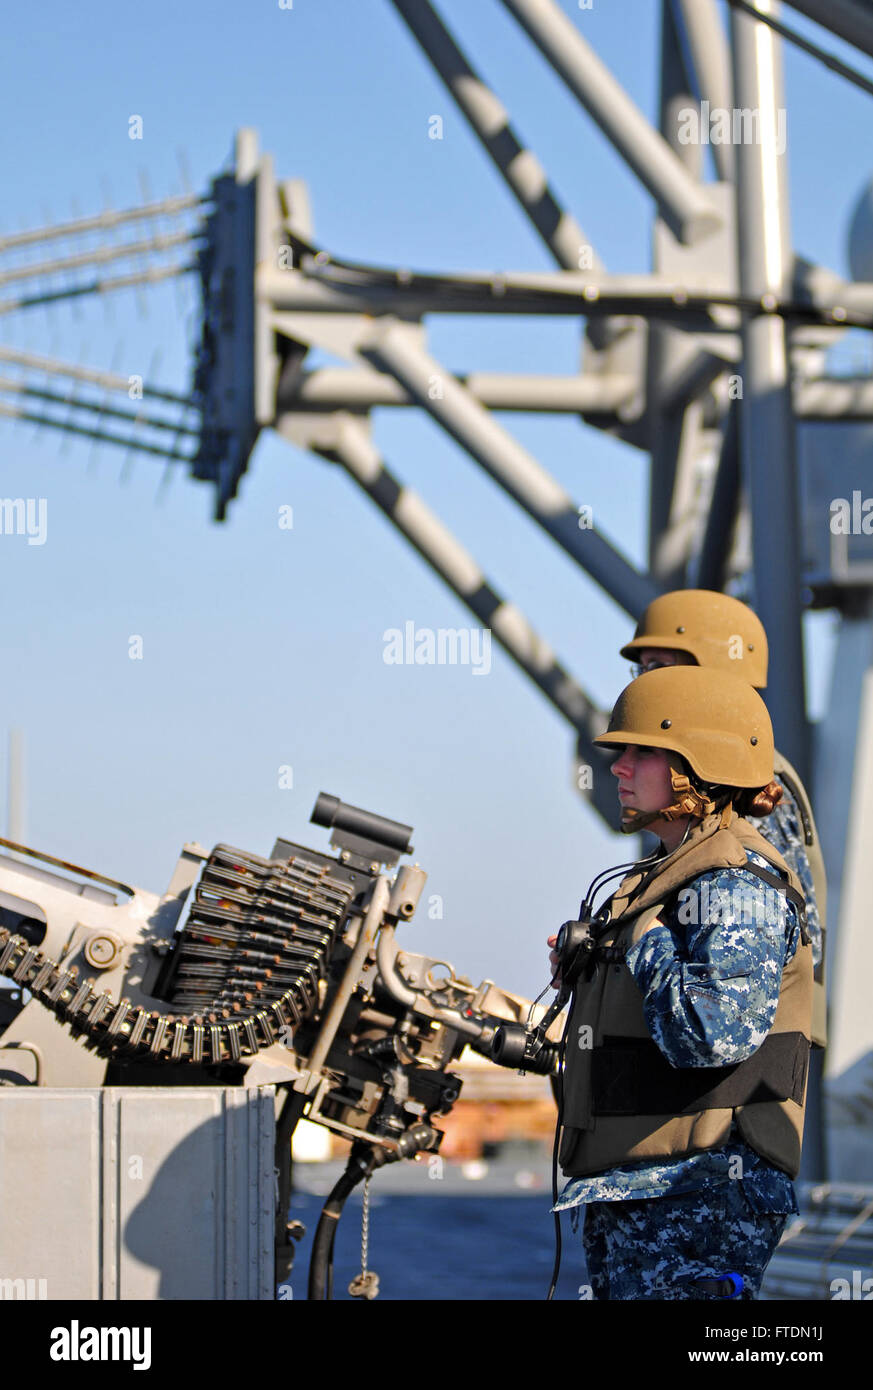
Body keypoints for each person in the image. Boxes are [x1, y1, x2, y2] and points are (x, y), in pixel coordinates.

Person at [551, 665, 813, 1301]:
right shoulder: (678, 875)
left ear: (699, 766)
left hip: (698, 1193)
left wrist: (641, 940)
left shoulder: (733, 882)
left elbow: (712, 1034)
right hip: (653, 1188)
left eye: (643, 751)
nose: (618, 766)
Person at [617, 589, 825, 1054]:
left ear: (709, 667)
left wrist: (643, 941)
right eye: (641, 667)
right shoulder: (727, 785)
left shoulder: (746, 782)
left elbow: (756, 931)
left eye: (656, 665)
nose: (643, 682)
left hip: (732, 1093)